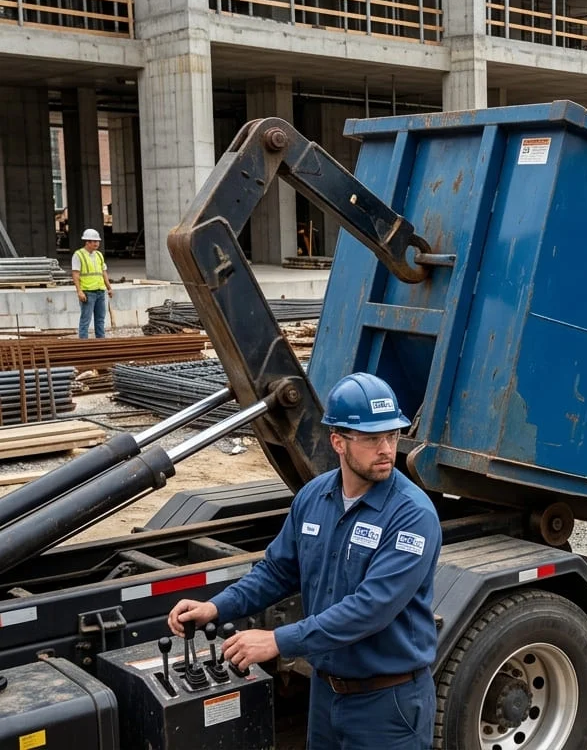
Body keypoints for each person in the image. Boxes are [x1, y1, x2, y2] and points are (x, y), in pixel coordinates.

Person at [167, 373, 441, 749]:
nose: (386, 449)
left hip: (387, 705)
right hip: (326, 695)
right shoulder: (314, 497)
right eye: (371, 438)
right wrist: (216, 607)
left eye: (392, 435)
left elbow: (372, 608)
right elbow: (277, 571)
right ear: (338, 441)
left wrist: (278, 640)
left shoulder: (411, 515)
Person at [70, 228, 112, 339]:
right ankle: (84, 344)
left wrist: (109, 288)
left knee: (100, 319)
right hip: (88, 293)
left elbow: (103, 272)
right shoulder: (78, 255)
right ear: (87, 242)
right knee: (86, 319)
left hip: (100, 292)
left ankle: (101, 343)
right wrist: (79, 291)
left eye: (98, 241)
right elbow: (75, 274)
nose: (97, 243)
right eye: (94, 241)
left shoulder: (99, 255)